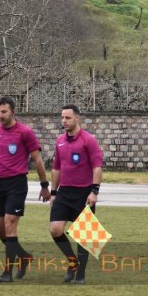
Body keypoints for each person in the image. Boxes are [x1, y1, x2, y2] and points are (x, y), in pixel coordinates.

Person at [0, 97, 50, 283]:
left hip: (17, 184)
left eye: (4, 112)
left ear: (13, 112)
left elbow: (38, 161)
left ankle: (7, 272)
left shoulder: (25, 132)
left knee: (10, 225)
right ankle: (23, 256)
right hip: (0, 184)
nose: (0, 115)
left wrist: (44, 186)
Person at [48, 104, 104, 284]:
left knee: (84, 235)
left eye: (68, 118)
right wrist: (53, 192)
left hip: (84, 193)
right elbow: (56, 168)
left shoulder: (89, 140)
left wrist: (94, 191)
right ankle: (73, 262)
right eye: (62, 117)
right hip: (64, 192)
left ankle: (80, 274)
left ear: (77, 118)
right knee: (55, 229)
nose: (64, 121)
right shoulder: (60, 141)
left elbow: (97, 167)